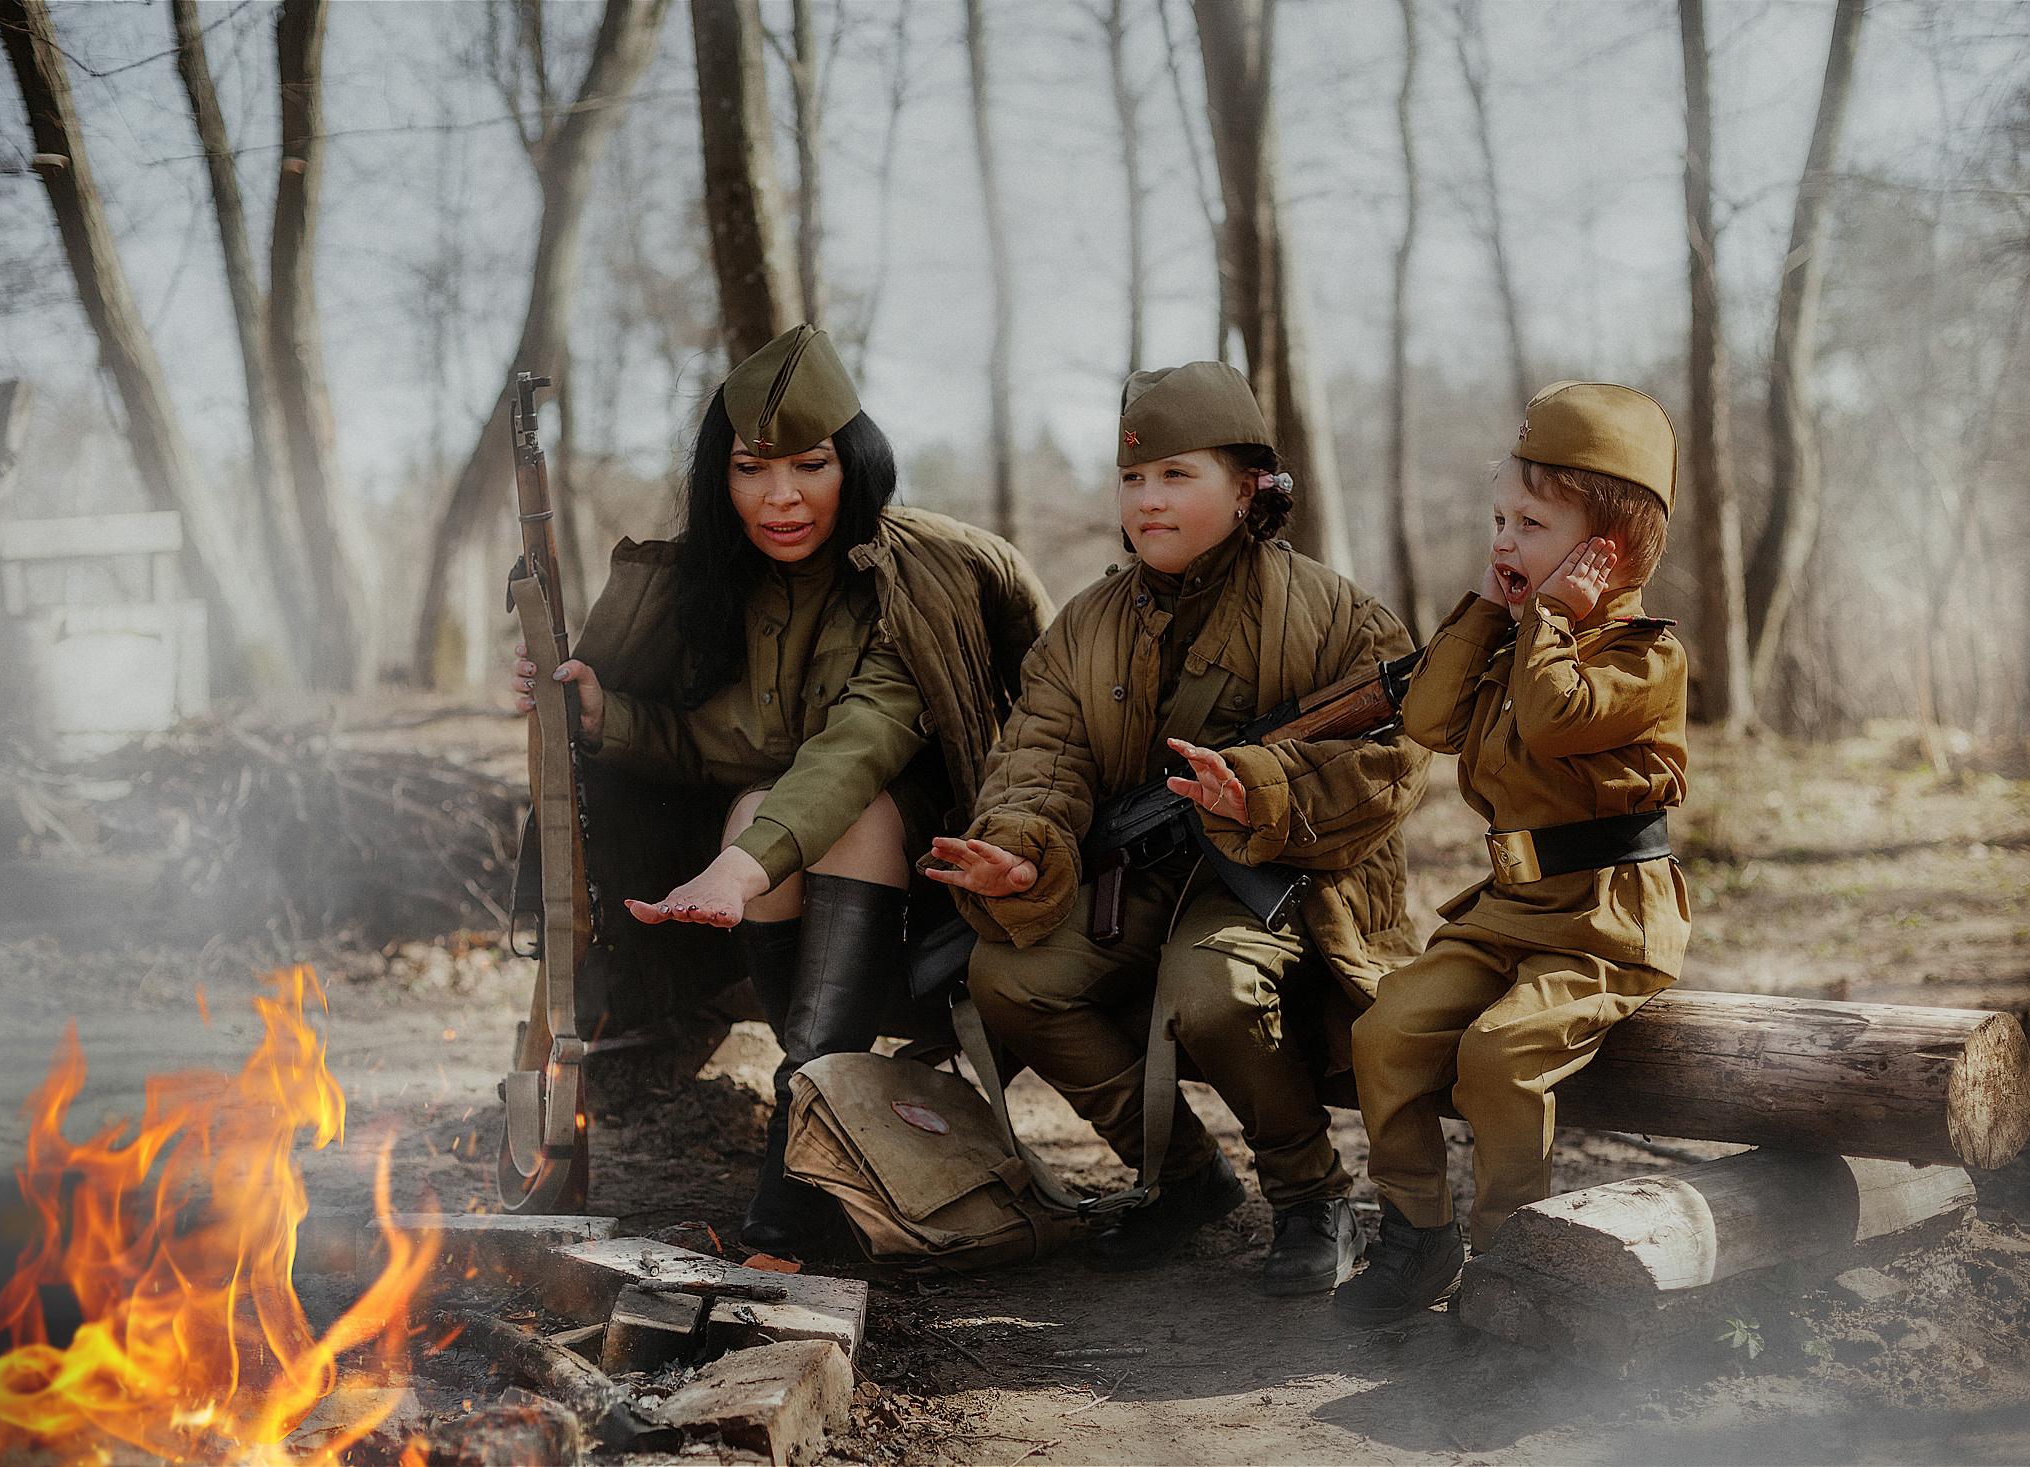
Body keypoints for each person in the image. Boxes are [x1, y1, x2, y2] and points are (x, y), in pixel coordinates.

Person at [512, 325, 1050, 1253]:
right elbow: (711, 745)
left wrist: (741, 870)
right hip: (768, 858)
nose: (782, 496)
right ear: (720, 478)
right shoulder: (713, 586)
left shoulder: (907, 576)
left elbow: (860, 745)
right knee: (760, 803)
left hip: (930, 881)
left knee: (841, 813)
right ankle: (807, 1123)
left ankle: (798, 1141)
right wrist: (606, 717)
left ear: (857, 464)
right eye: (753, 468)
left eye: (811, 464)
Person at [928, 362, 1430, 1295]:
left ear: (1248, 489)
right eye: (1131, 479)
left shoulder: (1336, 615)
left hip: (1292, 877)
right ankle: (1186, 1176)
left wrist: (1263, 792)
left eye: (1175, 476)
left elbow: (1392, 767)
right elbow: (1043, 758)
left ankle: (1311, 1195)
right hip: (1146, 870)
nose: (1147, 501)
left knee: (1212, 990)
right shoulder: (1083, 628)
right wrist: (1020, 850)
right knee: (1008, 975)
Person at [1337, 381, 1690, 1328]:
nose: (1502, 540)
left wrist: (1551, 621)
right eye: (1498, 517)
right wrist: (1493, 611)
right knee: (1388, 1029)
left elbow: (1554, 718)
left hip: (1603, 922)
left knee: (1499, 1058)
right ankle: (1417, 1234)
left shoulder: (1642, 656)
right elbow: (1427, 719)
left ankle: (1514, 1260)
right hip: (1508, 907)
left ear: (1602, 550)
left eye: (1530, 523)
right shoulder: (1522, 637)